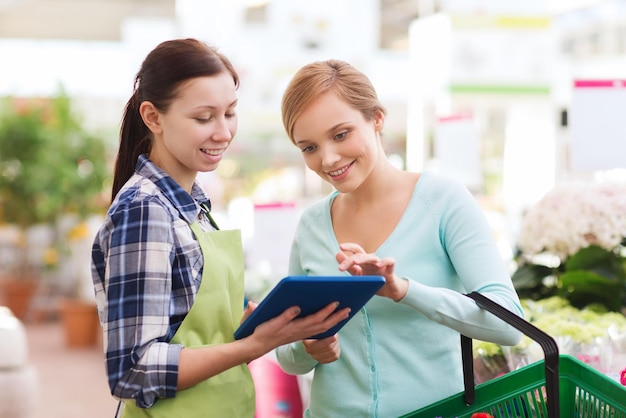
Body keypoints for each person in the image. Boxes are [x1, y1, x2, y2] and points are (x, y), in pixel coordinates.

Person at [91, 39, 351, 418]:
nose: (223, 133)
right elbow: (133, 371)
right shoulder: (145, 212)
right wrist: (252, 345)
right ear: (153, 117)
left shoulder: (192, 206)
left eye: (230, 113)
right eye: (203, 118)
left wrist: (254, 329)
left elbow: (190, 335)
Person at [275, 59, 524, 417]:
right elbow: (288, 357)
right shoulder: (311, 226)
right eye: (309, 147)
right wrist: (308, 347)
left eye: (340, 134)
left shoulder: (443, 202)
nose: (328, 158)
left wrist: (404, 290)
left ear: (376, 118)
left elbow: (508, 324)